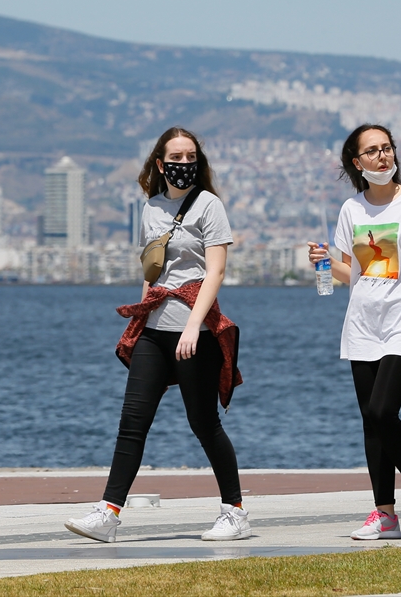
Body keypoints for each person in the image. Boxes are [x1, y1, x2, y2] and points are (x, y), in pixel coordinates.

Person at [65, 126, 247, 543]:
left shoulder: (209, 205)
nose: (184, 165)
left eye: (190, 157)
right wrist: (139, 322)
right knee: (132, 421)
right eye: (176, 158)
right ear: (160, 163)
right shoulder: (150, 207)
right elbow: (151, 270)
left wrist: (192, 327)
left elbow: (215, 272)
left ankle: (235, 511)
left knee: (204, 424)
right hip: (154, 330)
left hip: (193, 330)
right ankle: (108, 513)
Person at [308, 123, 401, 541]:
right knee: (370, 424)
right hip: (363, 324)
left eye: (388, 148)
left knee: (382, 411)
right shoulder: (352, 210)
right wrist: (326, 261)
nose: (383, 156)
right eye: (373, 151)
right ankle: (384, 514)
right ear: (357, 162)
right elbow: (359, 273)